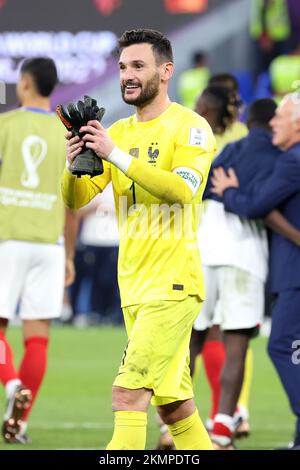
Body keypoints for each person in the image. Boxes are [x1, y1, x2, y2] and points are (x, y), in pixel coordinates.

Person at [62, 28, 216, 450]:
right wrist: (75, 160)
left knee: (128, 394)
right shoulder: (120, 132)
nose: (127, 75)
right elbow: (76, 199)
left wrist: (114, 154)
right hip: (134, 288)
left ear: (166, 71)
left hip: (173, 286)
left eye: (138, 66)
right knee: (175, 407)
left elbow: (183, 190)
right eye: (123, 67)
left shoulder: (191, 127)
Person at [211, 92, 300, 450]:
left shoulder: (292, 160)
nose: (272, 123)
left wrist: (229, 192)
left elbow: (259, 205)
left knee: (280, 346)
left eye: (280, 116)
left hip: (294, 274)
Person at [0, 58, 77, 444]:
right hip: (49, 244)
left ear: (26, 83)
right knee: (38, 338)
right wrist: (68, 255)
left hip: (7, 238)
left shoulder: (6, 125)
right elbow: (74, 199)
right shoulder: (67, 134)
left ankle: (12, 383)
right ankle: (20, 424)